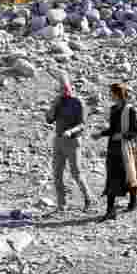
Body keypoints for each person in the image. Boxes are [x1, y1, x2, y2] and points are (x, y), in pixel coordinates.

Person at [91, 82, 137, 221]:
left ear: (118, 94)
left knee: (128, 175)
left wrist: (121, 135)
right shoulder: (114, 109)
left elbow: (135, 131)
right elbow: (112, 130)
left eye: (112, 93)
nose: (111, 95)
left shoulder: (130, 110)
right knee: (112, 177)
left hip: (124, 149)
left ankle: (131, 203)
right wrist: (101, 134)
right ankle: (111, 209)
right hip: (113, 149)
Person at [44, 78, 92, 214]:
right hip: (58, 141)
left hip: (72, 142)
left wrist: (70, 131)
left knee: (76, 173)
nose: (64, 91)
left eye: (66, 88)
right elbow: (48, 119)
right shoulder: (58, 102)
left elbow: (82, 124)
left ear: (71, 88)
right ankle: (61, 205)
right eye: (61, 88)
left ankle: (88, 199)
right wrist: (54, 105)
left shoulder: (78, 102)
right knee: (57, 173)